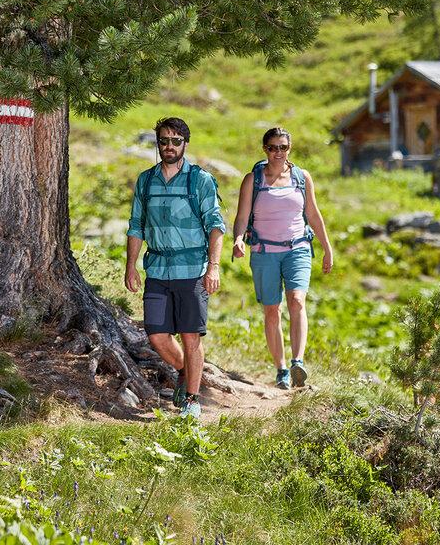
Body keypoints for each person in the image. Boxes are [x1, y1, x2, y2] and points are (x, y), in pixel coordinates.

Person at [125, 117, 225, 419]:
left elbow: (216, 227)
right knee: (157, 335)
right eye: (164, 140)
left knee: (190, 335)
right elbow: (136, 226)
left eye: (175, 140)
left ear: (185, 143)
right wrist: (131, 266)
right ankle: (186, 370)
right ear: (158, 143)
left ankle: (192, 400)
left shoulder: (200, 180)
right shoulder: (146, 180)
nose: (169, 146)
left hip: (193, 269)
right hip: (156, 269)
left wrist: (214, 267)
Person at [232, 127, 332, 389]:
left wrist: (327, 248)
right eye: (273, 147)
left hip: (297, 248)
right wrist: (238, 238)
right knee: (272, 311)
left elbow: (313, 214)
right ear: (265, 149)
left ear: (290, 149)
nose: (278, 152)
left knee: (297, 301)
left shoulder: (301, 177)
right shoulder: (252, 180)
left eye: (283, 147)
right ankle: (282, 369)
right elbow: (242, 216)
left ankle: (298, 361)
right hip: (264, 251)